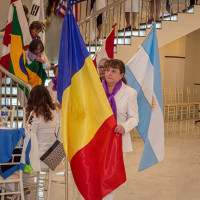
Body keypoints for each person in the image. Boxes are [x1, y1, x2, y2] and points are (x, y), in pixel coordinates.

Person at [102, 59, 139, 200]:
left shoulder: (130, 93)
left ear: (121, 74)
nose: (108, 73)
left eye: (113, 71)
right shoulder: (97, 91)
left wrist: (124, 127)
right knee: (98, 175)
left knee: (110, 178)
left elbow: (134, 118)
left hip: (118, 141)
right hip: (99, 140)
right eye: (106, 70)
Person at [26, 85, 59, 170]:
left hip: (38, 160)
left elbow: (28, 134)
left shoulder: (34, 114)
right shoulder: (54, 113)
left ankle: (21, 182)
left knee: (12, 156)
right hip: (53, 159)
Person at [45, 0, 64, 64]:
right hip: (49, 29)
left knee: (58, 45)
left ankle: (58, 61)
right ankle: (49, 61)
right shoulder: (48, 4)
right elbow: (44, 15)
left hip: (59, 28)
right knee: (49, 44)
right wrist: (44, 21)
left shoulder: (62, 3)